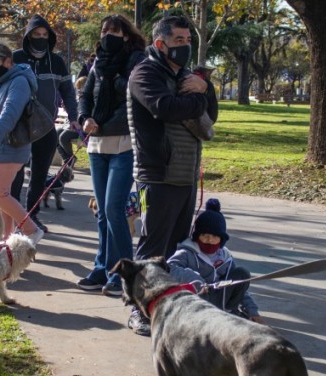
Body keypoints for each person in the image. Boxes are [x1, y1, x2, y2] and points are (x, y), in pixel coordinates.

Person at [126, 15, 218, 336]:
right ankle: (137, 310)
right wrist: (198, 95)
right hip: (157, 173)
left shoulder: (190, 76)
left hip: (186, 174)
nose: (186, 46)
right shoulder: (145, 73)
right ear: (160, 43)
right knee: (151, 248)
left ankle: (168, 305)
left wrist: (205, 89)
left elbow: (211, 116)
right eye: (179, 40)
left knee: (178, 249)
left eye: (189, 40)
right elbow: (164, 108)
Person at [75, 14, 146, 297]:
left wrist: (102, 122)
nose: (107, 35)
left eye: (114, 31)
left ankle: (124, 273)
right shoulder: (97, 63)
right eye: (104, 30)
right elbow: (85, 96)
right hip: (97, 146)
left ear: (126, 35)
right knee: (102, 213)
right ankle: (102, 267)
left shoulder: (137, 61)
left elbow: (132, 100)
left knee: (114, 209)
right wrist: (85, 118)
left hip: (124, 144)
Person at [12, 14, 81, 233]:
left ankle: (31, 217)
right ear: (28, 36)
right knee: (16, 173)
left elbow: (68, 93)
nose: (41, 38)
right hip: (19, 125)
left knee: (40, 174)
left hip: (46, 126)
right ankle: (14, 218)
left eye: (44, 35)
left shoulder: (57, 61)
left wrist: (73, 117)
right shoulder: (15, 58)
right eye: (36, 35)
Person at [0, 41, 44, 244]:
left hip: (12, 145)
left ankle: (31, 230)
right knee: (3, 195)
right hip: (1, 145)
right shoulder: (4, 82)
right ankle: (7, 239)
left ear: (8, 61)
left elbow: (9, 116)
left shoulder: (18, 82)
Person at [167, 198, 263, 323]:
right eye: (204, 236)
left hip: (217, 298)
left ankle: (228, 311)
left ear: (221, 239)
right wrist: (194, 279)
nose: (209, 240)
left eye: (215, 237)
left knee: (242, 274)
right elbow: (170, 267)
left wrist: (252, 310)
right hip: (196, 299)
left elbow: (238, 285)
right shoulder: (187, 252)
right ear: (197, 236)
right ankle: (213, 316)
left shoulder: (225, 257)